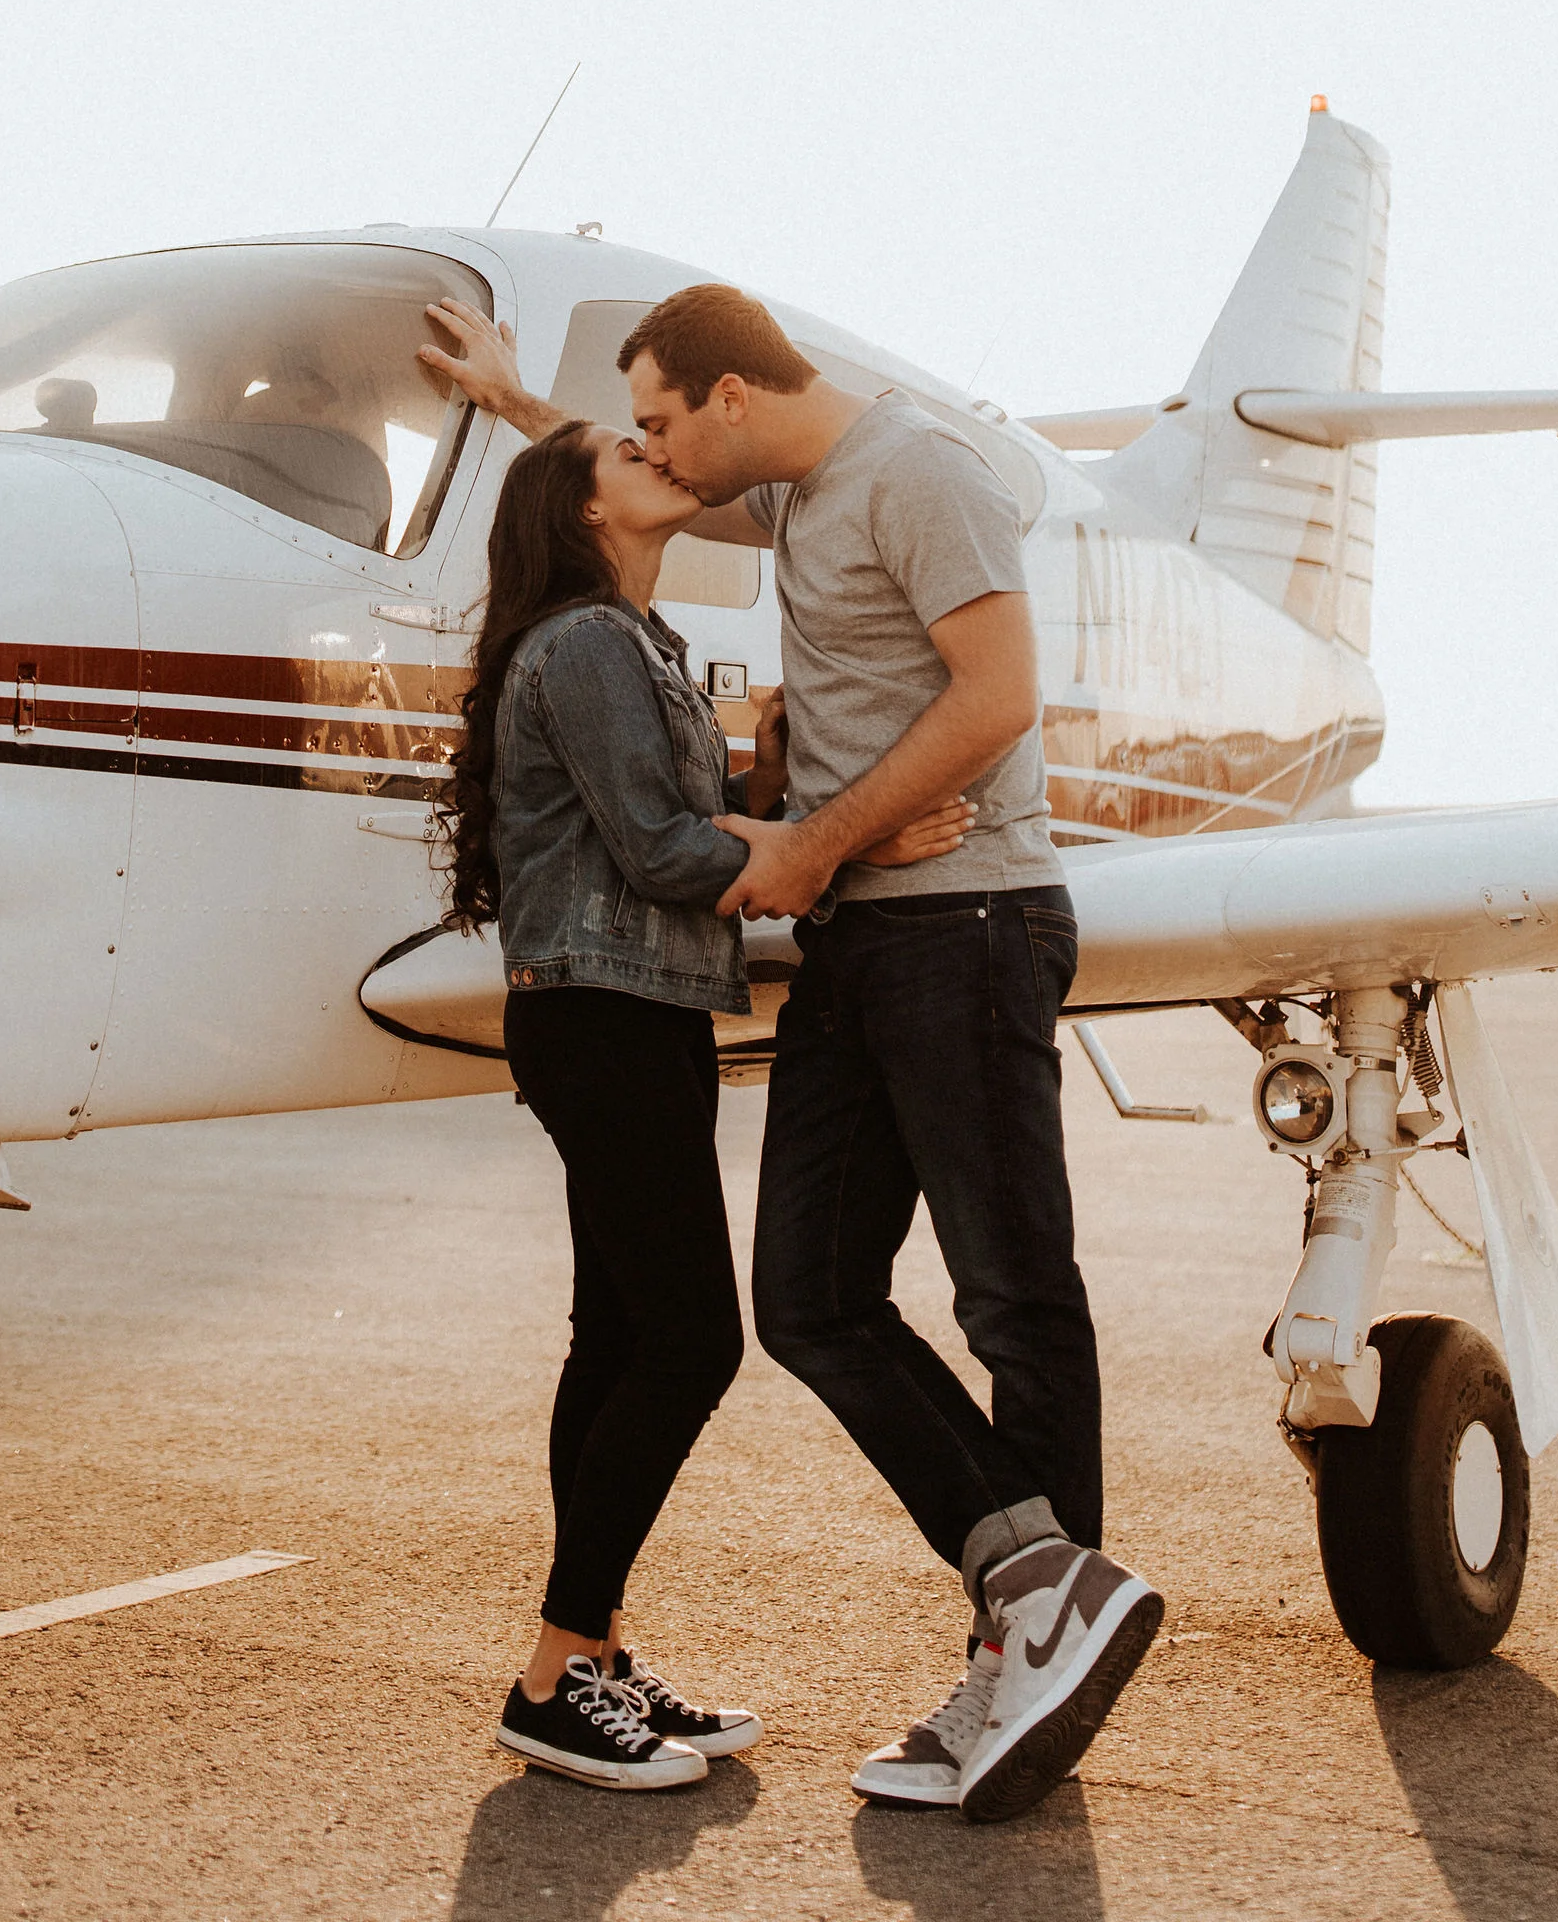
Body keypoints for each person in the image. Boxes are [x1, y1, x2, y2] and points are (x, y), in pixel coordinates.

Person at [423, 287, 1163, 1827]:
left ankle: (1028, 1653)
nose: (656, 453)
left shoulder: (922, 473)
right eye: (630, 439)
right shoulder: (784, 502)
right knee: (808, 1302)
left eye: (663, 419)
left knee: (1012, 1297)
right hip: (856, 936)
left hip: (962, 917)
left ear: (734, 397)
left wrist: (818, 840)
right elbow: (588, 498)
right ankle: (1039, 1590)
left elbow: (1003, 698)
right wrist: (504, 404)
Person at [434, 411, 975, 1793]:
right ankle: (556, 1670)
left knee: (616, 1338)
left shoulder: (646, 648)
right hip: (603, 1013)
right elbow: (669, 851)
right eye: (627, 452)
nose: (656, 456)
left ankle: (596, 1663)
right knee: (690, 1344)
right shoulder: (588, 645)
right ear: (583, 509)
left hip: (640, 1010)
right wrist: (843, 842)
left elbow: (680, 820)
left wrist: (775, 778)